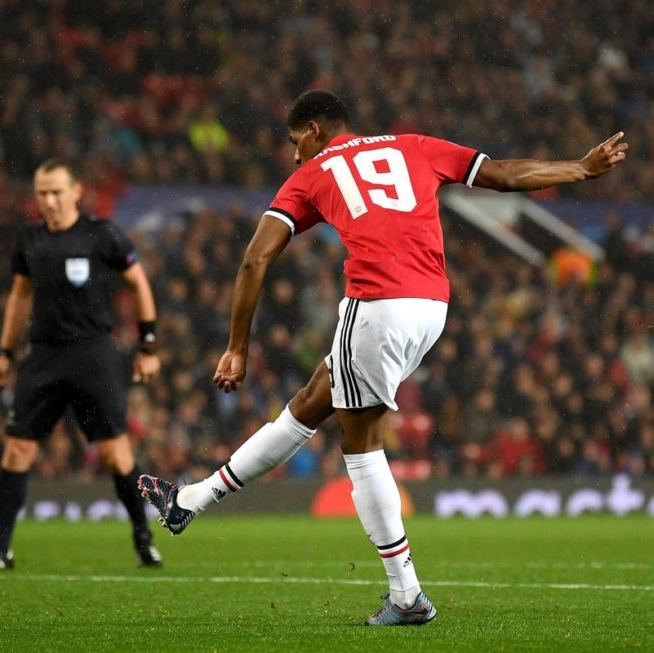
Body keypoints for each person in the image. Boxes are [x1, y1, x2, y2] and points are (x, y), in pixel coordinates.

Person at [139, 90, 628, 624]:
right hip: (431, 308)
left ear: (313, 131)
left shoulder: (313, 173)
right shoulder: (415, 146)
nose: (295, 155)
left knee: (362, 447)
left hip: (377, 305)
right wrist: (580, 168)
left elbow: (255, 259)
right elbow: (505, 174)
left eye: (295, 142)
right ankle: (191, 500)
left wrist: (237, 346)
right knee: (311, 402)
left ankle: (407, 595)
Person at [0, 158, 164, 571]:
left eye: (57, 192)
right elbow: (20, 296)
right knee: (17, 450)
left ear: (76, 192)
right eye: (42, 193)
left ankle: (144, 540)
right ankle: (0, 550)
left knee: (116, 455)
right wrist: (5, 352)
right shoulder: (30, 239)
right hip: (44, 356)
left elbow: (139, 283)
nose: (50, 201)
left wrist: (148, 346)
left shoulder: (101, 234)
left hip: (93, 354)